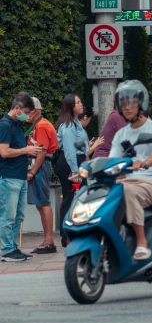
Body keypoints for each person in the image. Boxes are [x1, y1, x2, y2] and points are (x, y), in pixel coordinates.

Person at [109, 80, 152, 261]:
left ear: (141, 103)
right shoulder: (121, 135)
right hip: (130, 181)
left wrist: (145, 162)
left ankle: (142, 243)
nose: (127, 107)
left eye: (131, 102)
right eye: (123, 104)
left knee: (127, 190)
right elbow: (112, 161)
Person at [0, 93, 46, 262]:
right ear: (17, 108)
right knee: (8, 215)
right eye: (26, 111)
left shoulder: (16, 125)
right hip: (9, 177)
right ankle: (7, 250)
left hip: (20, 176)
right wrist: (26, 150)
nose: (27, 115)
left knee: (18, 216)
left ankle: (12, 248)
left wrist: (29, 149)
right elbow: (4, 152)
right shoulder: (5, 125)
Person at [54, 93, 89, 248]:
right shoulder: (68, 126)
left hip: (76, 163)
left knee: (78, 197)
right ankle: (66, 235)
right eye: (77, 102)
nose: (81, 104)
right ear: (70, 106)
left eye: (80, 101)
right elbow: (69, 150)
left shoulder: (76, 122)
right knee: (70, 198)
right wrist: (75, 171)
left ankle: (75, 231)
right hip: (70, 164)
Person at [25, 97, 59, 254]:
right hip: (39, 165)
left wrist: (32, 171)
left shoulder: (42, 126)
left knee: (43, 202)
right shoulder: (36, 126)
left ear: (35, 111)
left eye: (27, 111)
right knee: (41, 203)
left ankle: (49, 240)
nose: (25, 115)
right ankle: (47, 240)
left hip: (41, 165)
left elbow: (42, 150)